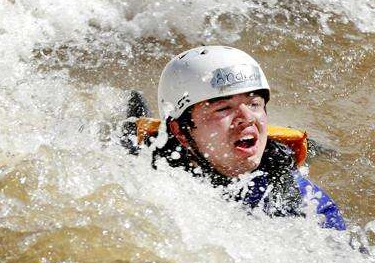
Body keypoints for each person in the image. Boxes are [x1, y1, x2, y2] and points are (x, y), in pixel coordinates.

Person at [136, 45, 345, 230]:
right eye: (223, 108)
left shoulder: (308, 204)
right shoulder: (142, 183)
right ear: (180, 131)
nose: (247, 118)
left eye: (254, 104)